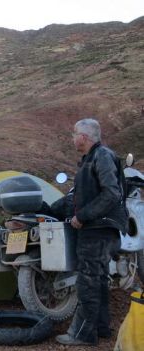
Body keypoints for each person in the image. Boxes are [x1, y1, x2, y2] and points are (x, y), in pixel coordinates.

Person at [56, 118, 128, 346]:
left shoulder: (102, 156)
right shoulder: (91, 159)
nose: (72, 138)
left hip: (98, 229)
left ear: (84, 137)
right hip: (97, 229)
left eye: (74, 134)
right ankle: (101, 327)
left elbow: (112, 193)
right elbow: (79, 195)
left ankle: (82, 334)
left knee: (87, 281)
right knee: (97, 280)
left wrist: (82, 216)